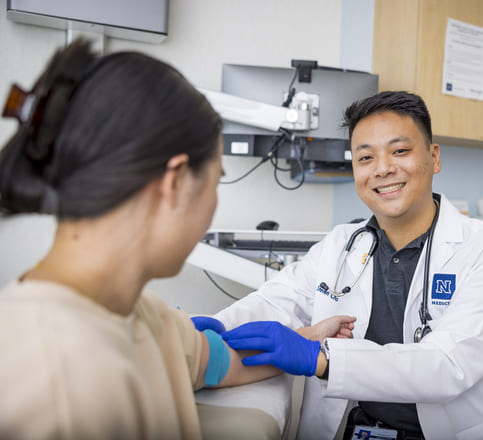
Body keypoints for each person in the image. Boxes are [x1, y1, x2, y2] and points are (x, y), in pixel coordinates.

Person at [0, 40, 355, 440]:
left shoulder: (148, 318)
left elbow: (224, 363)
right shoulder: (47, 384)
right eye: (216, 180)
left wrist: (307, 340)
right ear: (175, 183)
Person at [195, 91, 483, 439]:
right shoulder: (339, 245)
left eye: (400, 151)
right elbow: (276, 301)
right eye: (365, 158)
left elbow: (448, 365)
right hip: (364, 429)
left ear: (434, 157)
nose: (383, 169)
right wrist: (210, 330)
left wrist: (323, 358)